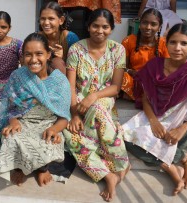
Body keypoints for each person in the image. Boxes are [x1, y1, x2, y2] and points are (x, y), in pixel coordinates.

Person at [123, 23, 187, 195]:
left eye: (184, 43)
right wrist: (153, 121)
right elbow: (146, 97)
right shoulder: (154, 65)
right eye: (173, 42)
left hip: (181, 120)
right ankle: (179, 161)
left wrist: (183, 128)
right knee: (124, 138)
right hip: (154, 115)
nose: (177, 48)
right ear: (166, 43)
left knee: (162, 141)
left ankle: (179, 158)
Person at [63, 9, 130, 202]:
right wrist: (74, 114)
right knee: (71, 135)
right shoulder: (76, 49)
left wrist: (93, 96)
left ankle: (119, 163)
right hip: (77, 104)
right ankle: (107, 175)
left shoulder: (118, 50)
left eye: (105, 27)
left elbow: (116, 88)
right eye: (95, 26)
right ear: (88, 26)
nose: (99, 30)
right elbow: (70, 86)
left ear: (111, 29)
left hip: (104, 101)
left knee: (99, 111)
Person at [0, 33, 71, 187]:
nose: (34, 59)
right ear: (22, 57)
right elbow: (11, 109)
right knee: (10, 138)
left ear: (48, 55)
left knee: (48, 142)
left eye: (39, 54)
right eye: (28, 55)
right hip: (23, 122)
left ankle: (42, 169)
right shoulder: (17, 76)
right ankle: (19, 167)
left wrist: (54, 129)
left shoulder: (59, 81)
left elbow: (64, 117)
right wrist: (14, 121)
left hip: (48, 123)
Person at [121, 8, 170, 100]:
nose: (148, 27)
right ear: (140, 24)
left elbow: (168, 68)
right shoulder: (128, 41)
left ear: (159, 27)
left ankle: (134, 96)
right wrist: (132, 72)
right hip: (134, 80)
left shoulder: (164, 43)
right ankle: (143, 97)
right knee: (120, 76)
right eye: (145, 23)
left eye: (153, 24)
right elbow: (122, 67)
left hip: (154, 81)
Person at [38, 1, 79, 74]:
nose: (46, 23)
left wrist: (63, 58)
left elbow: (78, 67)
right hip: (41, 79)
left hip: (66, 80)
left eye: (51, 19)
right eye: (43, 19)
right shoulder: (37, 38)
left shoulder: (70, 38)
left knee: (58, 62)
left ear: (61, 20)